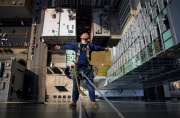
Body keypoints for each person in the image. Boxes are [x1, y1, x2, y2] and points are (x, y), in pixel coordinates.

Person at [54, 33, 108, 108]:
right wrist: (60, 47)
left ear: (88, 37)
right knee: (75, 86)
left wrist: (104, 49)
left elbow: (97, 47)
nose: (85, 34)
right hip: (78, 69)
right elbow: (68, 46)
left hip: (87, 69)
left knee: (91, 86)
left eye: (87, 34)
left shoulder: (90, 46)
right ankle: (74, 102)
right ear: (81, 37)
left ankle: (93, 102)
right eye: (84, 34)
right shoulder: (76, 45)